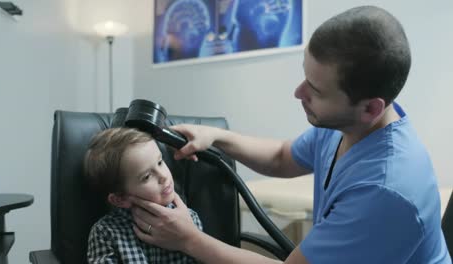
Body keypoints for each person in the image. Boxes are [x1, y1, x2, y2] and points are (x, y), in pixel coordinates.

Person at [129, 5, 452, 264]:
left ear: (370, 108)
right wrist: (216, 136)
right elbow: (283, 157)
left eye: (315, 90)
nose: (298, 93)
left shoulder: (386, 190)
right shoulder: (350, 125)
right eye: (304, 78)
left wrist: (188, 239)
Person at [84, 128, 202, 263]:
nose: (163, 176)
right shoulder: (105, 233)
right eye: (146, 177)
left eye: (160, 162)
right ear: (120, 199)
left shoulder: (190, 220)